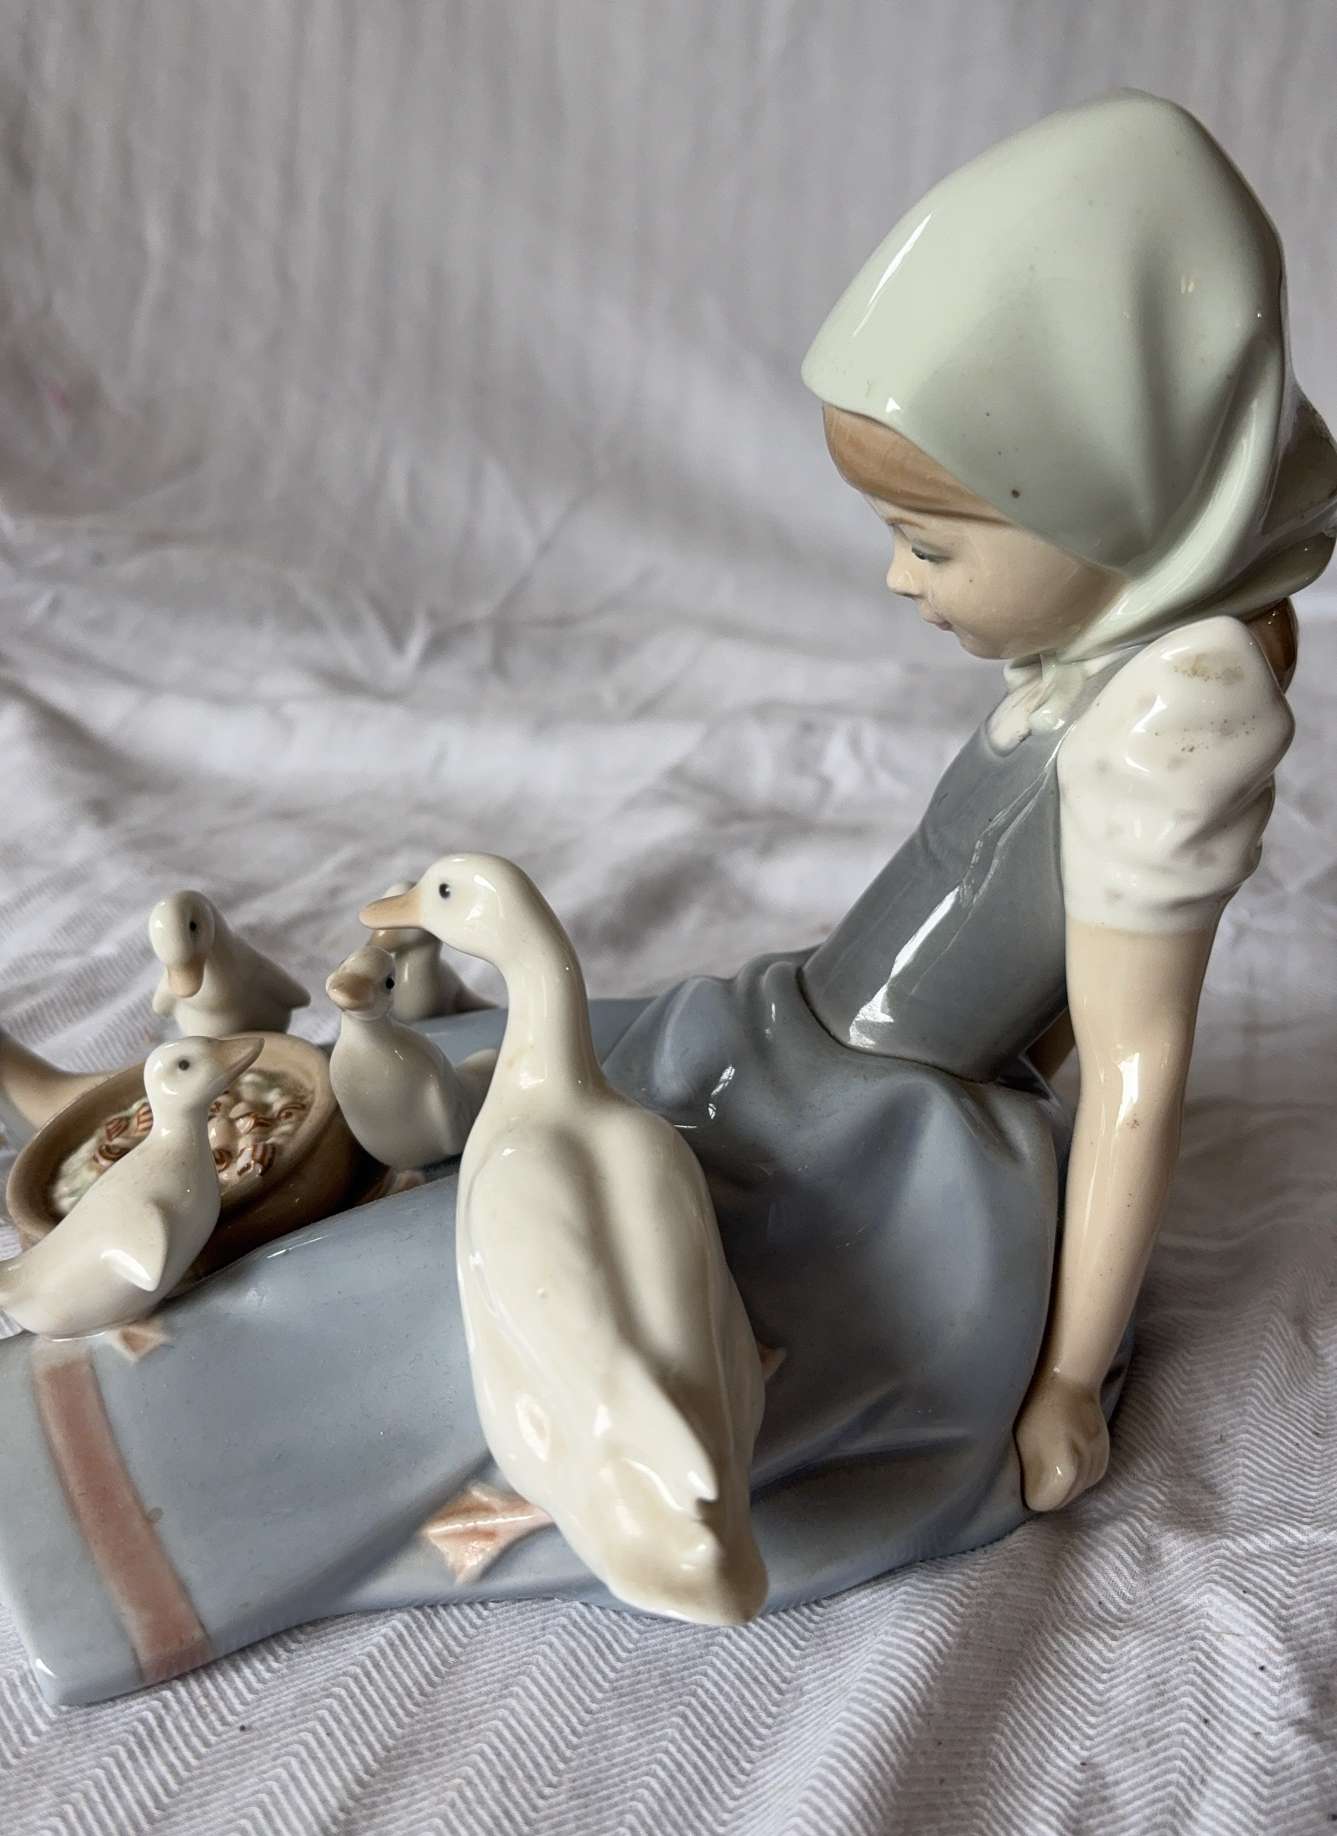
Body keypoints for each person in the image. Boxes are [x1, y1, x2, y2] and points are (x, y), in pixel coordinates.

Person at [2, 91, 1334, 1707]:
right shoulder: (1103, 653)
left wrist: (1057, 1375)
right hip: (793, 1031)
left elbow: (1132, 1068)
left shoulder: (1176, 716)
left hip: (877, 1132)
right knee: (476, 1104)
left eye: (930, 542)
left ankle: (136, 1491)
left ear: (1107, 502)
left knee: (510, 1290)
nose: (895, 579)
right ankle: (172, 1258)